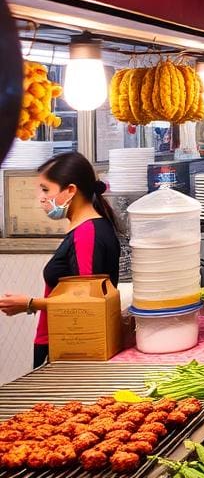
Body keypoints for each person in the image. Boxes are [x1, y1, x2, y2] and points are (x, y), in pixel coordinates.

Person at [0, 153, 121, 368]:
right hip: (59, 340)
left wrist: (28, 303)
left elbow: (86, 305)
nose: (41, 198)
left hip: (71, 347)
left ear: (71, 190)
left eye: (46, 190)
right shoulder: (84, 229)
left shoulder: (87, 234)